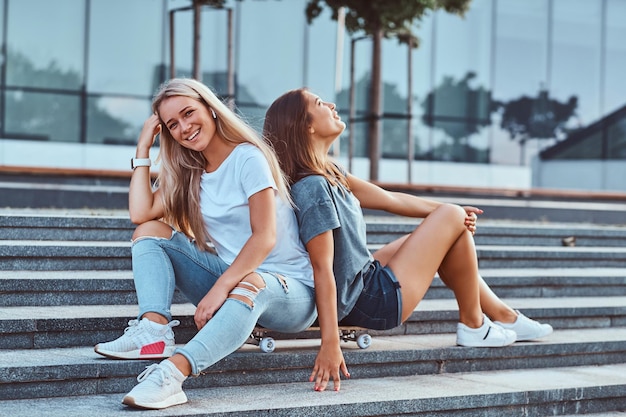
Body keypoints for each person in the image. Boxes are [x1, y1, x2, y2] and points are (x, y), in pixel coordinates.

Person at [263, 88, 553, 393]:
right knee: (451, 219)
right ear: (306, 126)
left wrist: (455, 213)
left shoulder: (330, 173)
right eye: (321, 103)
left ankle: (502, 315)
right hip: (370, 301)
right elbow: (321, 269)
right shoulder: (314, 190)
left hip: (363, 279)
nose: (332, 105)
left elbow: (390, 200)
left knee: (452, 222)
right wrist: (330, 342)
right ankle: (474, 324)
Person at [94, 78, 317, 410]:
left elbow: (265, 237)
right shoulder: (190, 172)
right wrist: (143, 148)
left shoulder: (248, 158)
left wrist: (220, 288)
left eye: (188, 113)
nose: (184, 127)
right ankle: (153, 331)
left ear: (211, 109)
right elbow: (140, 213)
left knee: (252, 283)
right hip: (235, 279)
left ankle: (172, 373)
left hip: (292, 292)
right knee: (150, 232)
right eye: (173, 124)